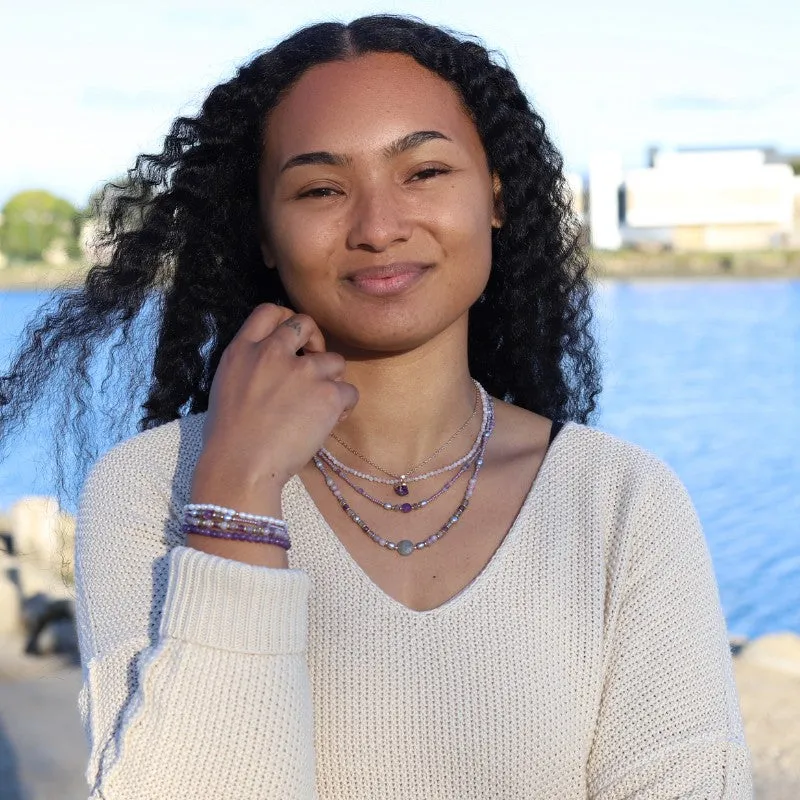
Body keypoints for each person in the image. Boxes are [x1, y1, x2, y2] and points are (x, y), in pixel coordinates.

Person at [0, 15, 752, 799]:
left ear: (495, 195)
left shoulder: (620, 503)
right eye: (322, 188)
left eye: (424, 172)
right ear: (263, 233)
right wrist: (236, 498)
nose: (379, 227)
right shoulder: (152, 491)